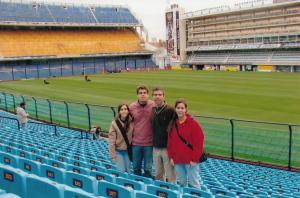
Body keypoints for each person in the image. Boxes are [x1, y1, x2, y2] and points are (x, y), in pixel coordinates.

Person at [167, 99, 205, 188]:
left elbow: (199, 142)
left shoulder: (193, 123)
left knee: (194, 184)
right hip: (178, 160)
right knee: (182, 184)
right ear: (175, 109)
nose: (180, 110)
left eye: (182, 108)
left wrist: (195, 159)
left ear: (186, 110)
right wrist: (171, 157)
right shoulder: (173, 124)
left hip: (190, 161)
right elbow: (170, 143)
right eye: (178, 108)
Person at [152, 87, 176, 183]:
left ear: (164, 96)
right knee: (158, 174)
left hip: (167, 148)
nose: (157, 97)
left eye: (160, 95)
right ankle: (161, 192)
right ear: (153, 96)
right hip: (156, 147)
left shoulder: (170, 109)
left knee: (170, 175)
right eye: (155, 95)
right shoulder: (153, 109)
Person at [130, 85, 154, 177]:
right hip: (136, 143)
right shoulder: (132, 107)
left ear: (148, 95)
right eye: (140, 93)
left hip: (149, 144)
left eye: (144, 93)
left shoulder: (153, 105)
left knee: (148, 170)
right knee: (136, 168)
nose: (142, 95)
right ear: (137, 95)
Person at [108, 104, 133, 173]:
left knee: (128, 171)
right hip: (118, 151)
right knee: (121, 171)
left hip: (128, 151)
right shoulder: (114, 123)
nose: (124, 111)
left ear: (128, 111)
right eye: (122, 109)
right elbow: (111, 141)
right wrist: (113, 156)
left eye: (125, 109)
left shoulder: (132, 122)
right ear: (119, 112)